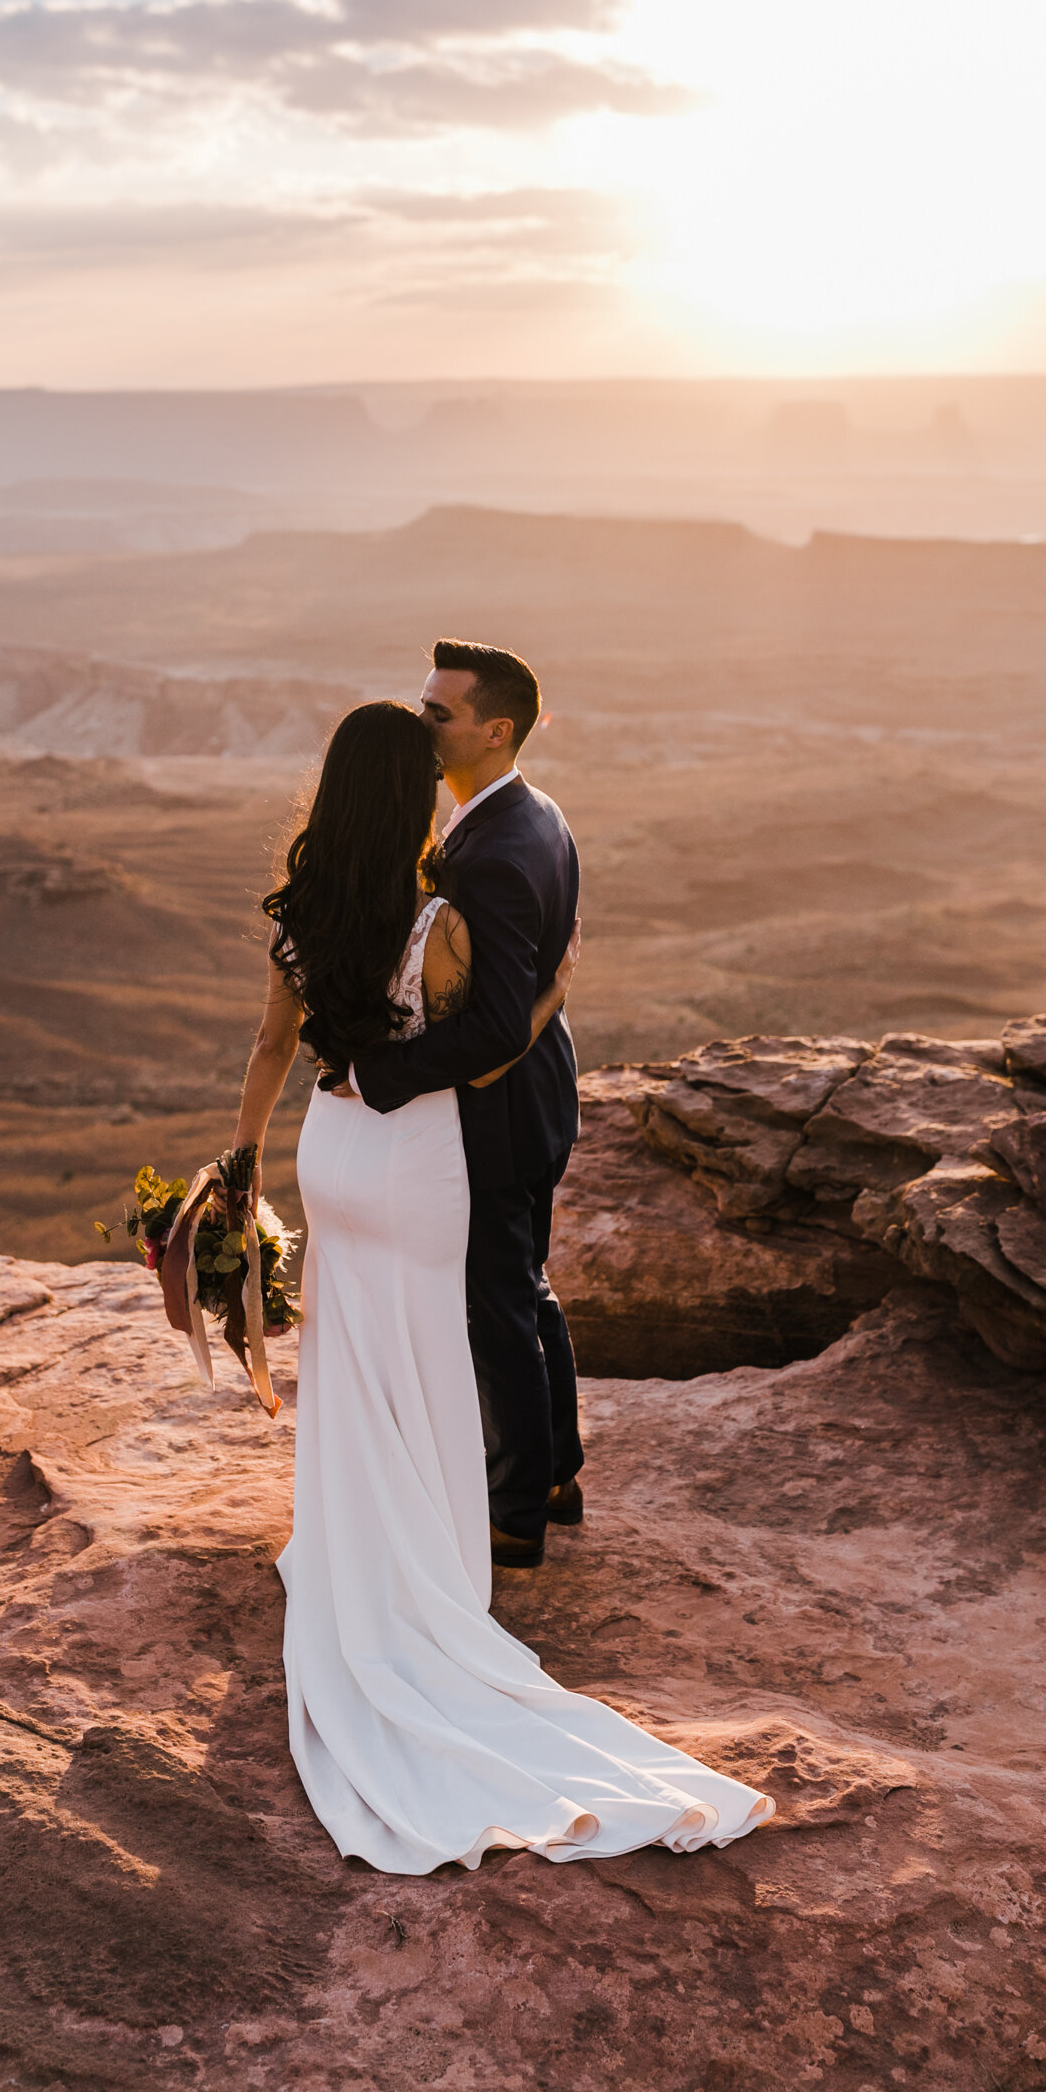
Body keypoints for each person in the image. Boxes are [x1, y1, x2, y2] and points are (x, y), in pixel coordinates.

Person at [229, 696, 774, 1875]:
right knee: (428, 1351)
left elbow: (272, 1049)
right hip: (417, 1159)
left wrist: (238, 1163)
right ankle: (435, 1552)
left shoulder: (297, 920)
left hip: (328, 1151)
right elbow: (489, 1041)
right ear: (409, 799)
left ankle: (342, 1534)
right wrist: (554, 991)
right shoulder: (437, 925)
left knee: (346, 1348)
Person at [338, 639, 583, 1568]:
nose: (419, 722)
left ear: (496, 730)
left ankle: (513, 1513)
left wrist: (373, 1077)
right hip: (539, 1091)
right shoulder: (533, 815)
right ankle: (556, 1472)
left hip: (501, 1109)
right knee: (528, 1288)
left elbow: (487, 1029)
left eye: (437, 713)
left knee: (495, 1306)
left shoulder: (491, 852)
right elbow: (526, 991)